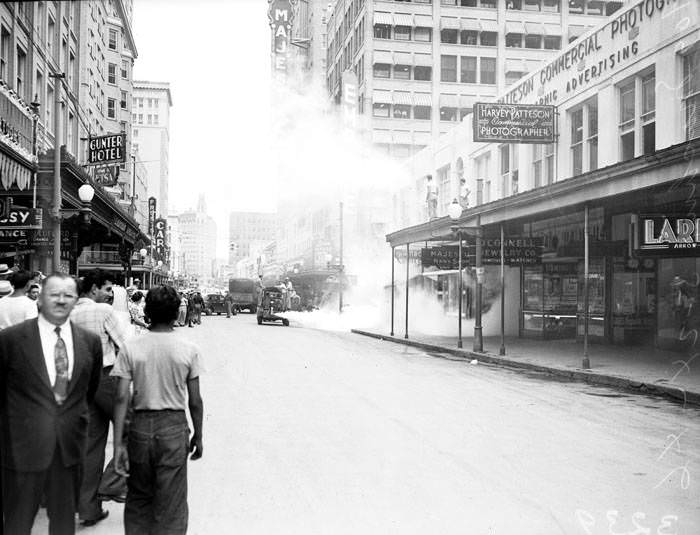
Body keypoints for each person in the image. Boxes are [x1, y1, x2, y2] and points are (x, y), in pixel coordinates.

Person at [0, 273, 103, 535]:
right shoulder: (11, 340)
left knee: (63, 524)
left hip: (68, 450)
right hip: (22, 451)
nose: (60, 301)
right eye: (53, 294)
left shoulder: (90, 342)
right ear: (39, 298)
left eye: (68, 295)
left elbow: (86, 393)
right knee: (17, 523)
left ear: (76, 300)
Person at [112, 285, 204, 534]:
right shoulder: (189, 349)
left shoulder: (131, 347)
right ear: (176, 314)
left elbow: (121, 397)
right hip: (174, 428)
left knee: (139, 497)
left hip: (140, 427)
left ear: (148, 312)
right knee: (171, 501)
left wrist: (119, 443)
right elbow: (195, 401)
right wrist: (199, 435)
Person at [70, 269, 130, 526]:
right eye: (107, 289)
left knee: (91, 444)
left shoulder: (68, 314)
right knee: (134, 428)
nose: (110, 294)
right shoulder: (104, 312)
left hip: (81, 383)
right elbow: (126, 345)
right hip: (107, 378)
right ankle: (110, 484)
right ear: (93, 289)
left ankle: (88, 508)